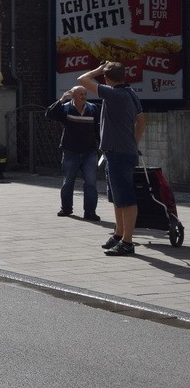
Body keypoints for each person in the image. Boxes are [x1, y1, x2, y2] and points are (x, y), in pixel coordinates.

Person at [77, 61, 146, 256]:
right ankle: (118, 234)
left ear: (107, 79)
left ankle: (128, 242)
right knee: (117, 197)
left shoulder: (114, 94)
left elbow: (82, 80)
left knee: (126, 198)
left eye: (104, 76)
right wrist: (134, 142)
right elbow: (141, 121)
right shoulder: (131, 93)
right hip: (119, 151)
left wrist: (98, 70)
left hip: (119, 153)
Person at [45, 86, 100, 221]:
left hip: (89, 153)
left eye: (85, 94)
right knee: (68, 182)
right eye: (80, 94)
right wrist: (62, 100)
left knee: (91, 183)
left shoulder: (93, 109)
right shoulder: (65, 109)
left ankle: (90, 212)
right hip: (71, 152)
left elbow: (98, 129)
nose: (83, 96)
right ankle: (66, 209)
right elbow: (49, 114)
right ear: (73, 95)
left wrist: (102, 145)